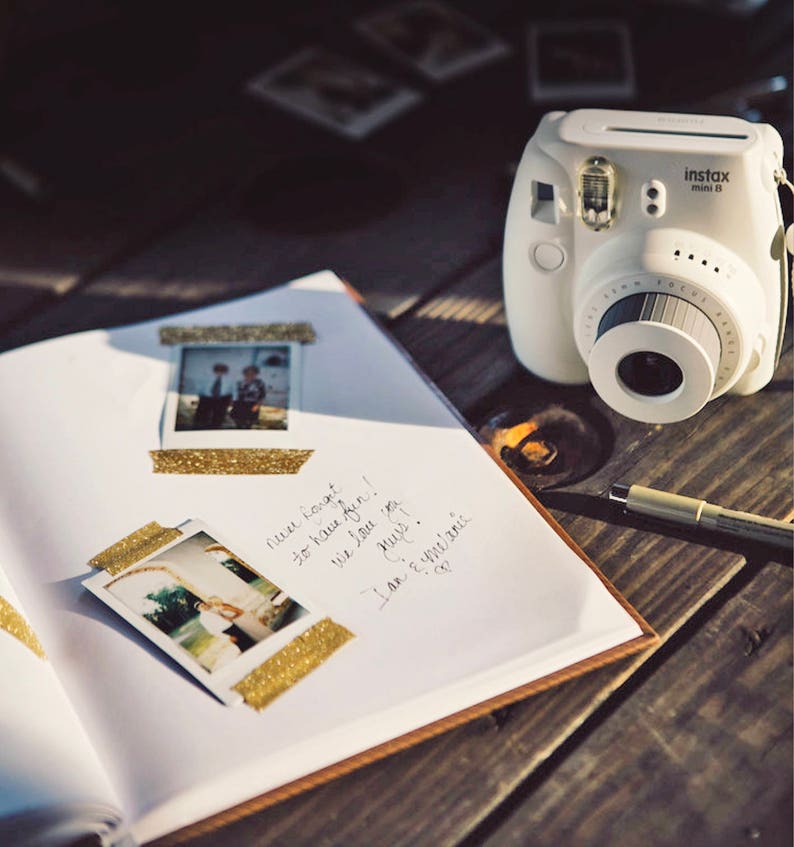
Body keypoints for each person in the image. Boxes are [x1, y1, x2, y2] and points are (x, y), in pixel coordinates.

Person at [193, 363, 233, 429]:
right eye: (218, 370)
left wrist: (230, 400)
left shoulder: (229, 380)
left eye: (222, 370)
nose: (220, 372)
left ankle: (215, 427)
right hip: (207, 398)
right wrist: (200, 395)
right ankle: (200, 427)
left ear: (225, 372)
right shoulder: (207, 377)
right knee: (202, 415)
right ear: (215, 370)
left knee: (218, 417)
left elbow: (231, 390)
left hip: (222, 399)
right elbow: (201, 387)